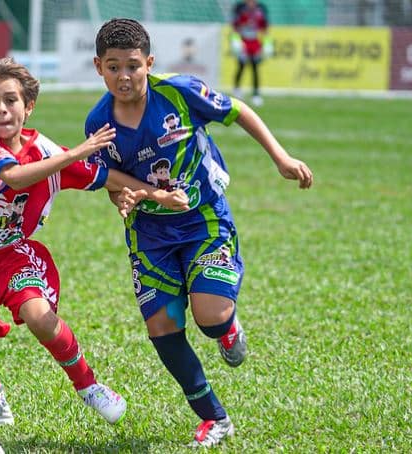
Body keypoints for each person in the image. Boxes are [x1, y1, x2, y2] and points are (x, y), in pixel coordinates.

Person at [86, 18, 313, 447]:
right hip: (149, 234)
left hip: (203, 219)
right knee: (162, 328)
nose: (124, 76)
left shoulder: (180, 91)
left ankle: (226, 329)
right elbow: (112, 180)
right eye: (113, 67)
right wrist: (123, 200)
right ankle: (215, 418)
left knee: (210, 318)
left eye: (133, 65)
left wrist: (280, 157)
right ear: (99, 67)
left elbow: (238, 111)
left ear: (149, 63)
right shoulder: (99, 123)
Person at [0, 53, 189, 427]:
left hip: (13, 255)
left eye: (11, 100)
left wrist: (156, 195)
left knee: (40, 317)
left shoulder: (48, 153)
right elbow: (16, 177)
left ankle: (89, 386)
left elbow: (108, 178)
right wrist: (75, 153)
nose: (2, 110)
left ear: (29, 106)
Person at [231, 0, 269, 106]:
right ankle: (237, 89)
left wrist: (267, 43)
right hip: (243, 41)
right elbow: (235, 27)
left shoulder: (260, 10)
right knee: (241, 66)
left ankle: (256, 94)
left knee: (255, 67)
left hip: (254, 42)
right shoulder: (240, 9)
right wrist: (236, 40)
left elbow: (265, 28)